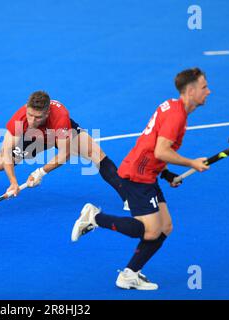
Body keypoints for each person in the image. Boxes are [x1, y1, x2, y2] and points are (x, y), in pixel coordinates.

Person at [71, 67, 211, 290]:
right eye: (204, 87)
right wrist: (192, 163)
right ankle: (95, 218)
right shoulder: (176, 116)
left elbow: (152, 145)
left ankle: (129, 275)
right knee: (151, 230)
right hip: (138, 175)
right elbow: (161, 151)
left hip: (149, 173)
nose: (208, 91)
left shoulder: (173, 107)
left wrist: (166, 174)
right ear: (191, 90)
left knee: (165, 227)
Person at [0, 91, 126, 203]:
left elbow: (65, 154)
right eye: (30, 115)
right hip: (33, 137)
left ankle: (127, 196)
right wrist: (13, 182)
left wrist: (40, 172)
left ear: (47, 113)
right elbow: (5, 154)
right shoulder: (20, 119)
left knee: (95, 153)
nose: (32, 119)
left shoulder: (60, 117)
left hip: (58, 133)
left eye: (38, 117)